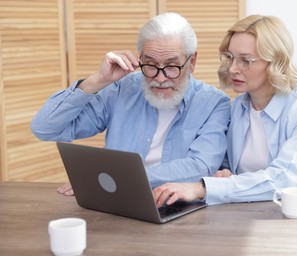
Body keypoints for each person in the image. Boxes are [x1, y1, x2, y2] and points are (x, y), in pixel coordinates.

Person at [30, 12, 230, 195]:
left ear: (192, 61)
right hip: (117, 201)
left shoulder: (214, 103)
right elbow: (45, 129)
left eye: (171, 66)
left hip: (176, 206)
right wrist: (97, 80)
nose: (160, 79)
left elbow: (201, 165)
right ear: (139, 58)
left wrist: (110, 177)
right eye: (150, 65)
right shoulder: (122, 89)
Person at [153, 14, 297, 207]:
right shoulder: (237, 107)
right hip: (248, 214)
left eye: (245, 60)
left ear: (275, 62)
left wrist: (203, 188)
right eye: (230, 57)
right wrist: (224, 173)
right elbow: (231, 167)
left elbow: (283, 179)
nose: (232, 69)